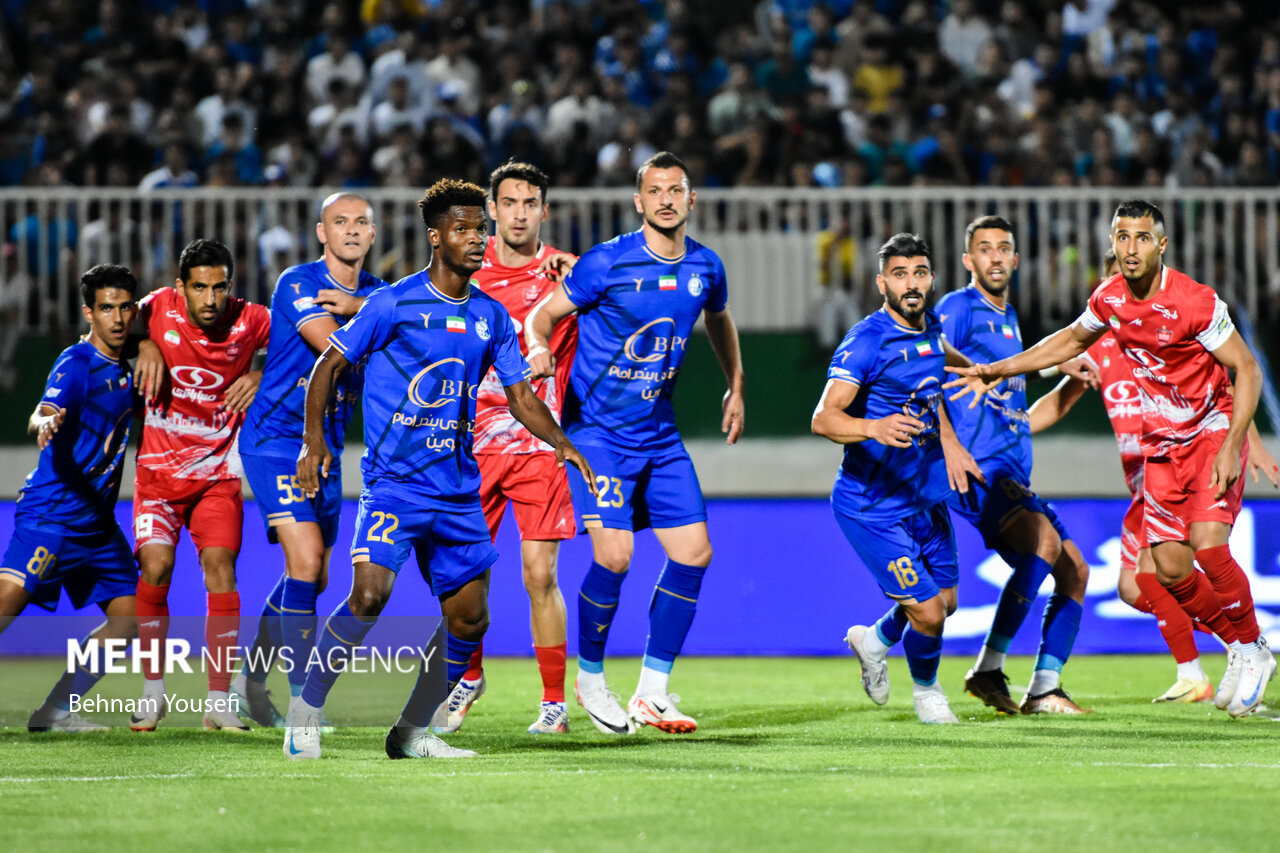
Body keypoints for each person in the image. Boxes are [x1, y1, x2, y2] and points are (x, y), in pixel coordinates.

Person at [283, 178, 595, 760]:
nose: (477, 238)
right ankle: (306, 710)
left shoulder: (491, 317)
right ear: (435, 236)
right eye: (463, 228)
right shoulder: (393, 303)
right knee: (368, 597)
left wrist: (562, 442)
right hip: (395, 486)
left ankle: (410, 733)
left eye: (481, 228)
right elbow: (328, 364)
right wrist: (313, 442)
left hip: (456, 492)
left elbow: (521, 396)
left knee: (470, 618)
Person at [947, 199, 1274, 718]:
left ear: (1161, 245)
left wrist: (1236, 442)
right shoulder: (1110, 300)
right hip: (1159, 448)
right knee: (1168, 571)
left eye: (1142, 238)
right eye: (1122, 237)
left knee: (1210, 547)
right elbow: (1068, 341)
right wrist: (996, 369)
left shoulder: (1194, 301)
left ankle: (1253, 648)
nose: (1130, 248)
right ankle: (1234, 646)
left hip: (1208, 435)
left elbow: (1246, 369)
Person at [526, 151, 746, 735]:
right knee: (615, 556)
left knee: (694, 553)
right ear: (638, 201)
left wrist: (736, 383)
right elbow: (542, 316)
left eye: (676, 190)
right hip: (597, 434)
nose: (666, 200)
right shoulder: (607, 262)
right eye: (655, 190)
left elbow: (718, 318)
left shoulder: (706, 267)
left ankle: (652, 693)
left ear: (691, 199)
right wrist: (539, 348)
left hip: (659, 433)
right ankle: (590, 680)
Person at [1028, 249, 1280, 703]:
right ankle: (1233, 646)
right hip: (1144, 477)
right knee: (1136, 586)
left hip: (1178, 464)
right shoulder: (1099, 346)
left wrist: (1249, 441)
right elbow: (1056, 380)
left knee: (1161, 572)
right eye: (1112, 285)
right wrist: (1009, 414)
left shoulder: (1167, 334)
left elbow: (1226, 380)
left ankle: (1216, 659)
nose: (1122, 295)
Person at [434, 161, 581, 736]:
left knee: (539, 575)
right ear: (492, 210)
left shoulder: (568, 274)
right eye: (509, 203)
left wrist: (580, 274)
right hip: (469, 447)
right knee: (467, 579)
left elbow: (621, 306)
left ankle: (554, 703)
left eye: (530, 203)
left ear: (544, 210)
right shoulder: (465, 267)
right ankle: (469, 678)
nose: (519, 214)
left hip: (537, 445)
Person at [231, 193, 386, 727]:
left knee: (314, 576)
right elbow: (331, 344)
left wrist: (363, 306)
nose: (351, 230)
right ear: (322, 232)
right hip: (277, 439)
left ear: (373, 234)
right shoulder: (298, 282)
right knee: (305, 561)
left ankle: (248, 683)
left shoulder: (378, 293)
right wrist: (373, 316)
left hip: (327, 447)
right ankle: (303, 703)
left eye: (361, 222)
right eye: (340, 222)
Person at [815, 233, 982, 725]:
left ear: (931, 278)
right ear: (881, 283)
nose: (911, 284)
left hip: (922, 497)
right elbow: (824, 418)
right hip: (871, 506)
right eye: (900, 275)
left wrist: (985, 375)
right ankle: (928, 695)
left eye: (920, 273)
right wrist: (874, 427)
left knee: (945, 603)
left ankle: (872, 641)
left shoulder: (930, 328)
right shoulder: (866, 341)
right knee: (927, 612)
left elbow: (939, 371)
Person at [937, 215, 1096, 715]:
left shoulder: (1008, 321)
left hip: (1014, 473)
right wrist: (948, 440)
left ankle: (1044, 686)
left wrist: (1070, 384)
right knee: (1045, 543)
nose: (996, 257)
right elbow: (925, 364)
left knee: (1075, 571)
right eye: (985, 248)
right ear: (968, 260)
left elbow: (1024, 417)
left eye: (1004, 248)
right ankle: (988, 667)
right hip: (981, 469)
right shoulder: (958, 308)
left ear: (1016, 259)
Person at [128, 239, 271, 732]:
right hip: (158, 478)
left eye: (219, 287)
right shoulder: (154, 309)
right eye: (199, 287)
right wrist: (143, 343)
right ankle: (153, 693)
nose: (210, 298)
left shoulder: (252, 319)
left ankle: (218, 701)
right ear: (180, 287)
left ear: (231, 285)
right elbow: (111, 327)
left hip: (217, 477)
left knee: (221, 570)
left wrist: (261, 372)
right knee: (155, 565)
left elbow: (303, 347)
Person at [2, 265, 140, 732]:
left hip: (97, 526)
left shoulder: (129, 362)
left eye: (124, 308)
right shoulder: (76, 363)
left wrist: (149, 346)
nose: (117, 318)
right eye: (106, 309)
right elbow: (42, 411)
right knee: (6, 604)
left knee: (128, 620)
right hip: (54, 515)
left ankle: (55, 710)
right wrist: (44, 422)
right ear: (89, 313)